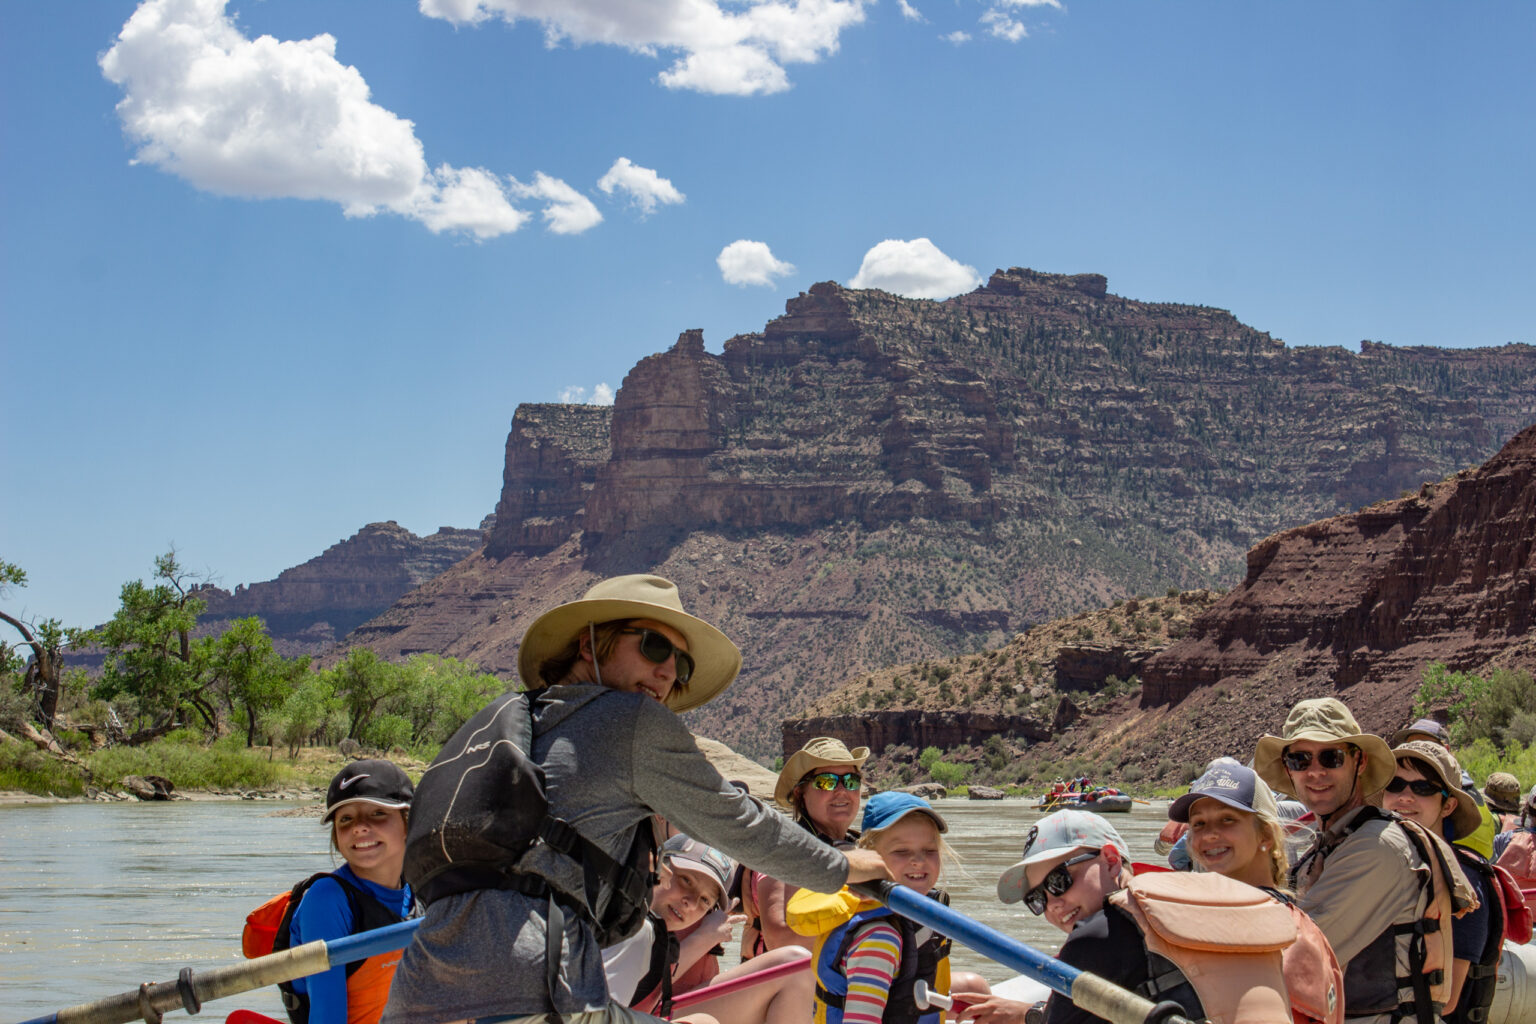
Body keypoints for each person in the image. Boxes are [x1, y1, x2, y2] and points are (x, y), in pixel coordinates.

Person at [381, 575, 892, 1024]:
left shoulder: (503, 722)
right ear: (590, 644)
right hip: (537, 990)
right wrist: (844, 864)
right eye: (653, 646)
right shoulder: (630, 721)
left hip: (420, 992)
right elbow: (739, 823)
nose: (669, 670)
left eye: (681, 662)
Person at [1254, 698, 1475, 1024]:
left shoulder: (1377, 848)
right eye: (1300, 759)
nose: (1315, 771)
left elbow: (1294, 954)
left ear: (1359, 761)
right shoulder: (1331, 844)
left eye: (1331, 757)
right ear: (1288, 768)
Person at [960, 811, 1212, 1024]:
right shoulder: (1186, 902)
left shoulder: (1096, 937)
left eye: (1059, 881)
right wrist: (1032, 1014)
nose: (1052, 905)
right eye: (1037, 899)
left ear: (1112, 861)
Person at [1170, 760, 1343, 1024]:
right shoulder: (1200, 921)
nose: (1210, 835)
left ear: (1265, 835)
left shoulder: (1295, 937)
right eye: (1199, 824)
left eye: (1227, 819)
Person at [787, 792, 964, 1024]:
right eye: (901, 851)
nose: (918, 861)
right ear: (869, 857)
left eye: (929, 850)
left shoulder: (916, 919)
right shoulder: (879, 940)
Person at [604, 835, 812, 1024]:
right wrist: (705, 937)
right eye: (686, 880)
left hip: (651, 1010)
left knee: (796, 965)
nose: (691, 903)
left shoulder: (666, 926)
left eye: (705, 900)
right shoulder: (621, 918)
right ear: (659, 868)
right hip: (625, 1014)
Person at [287, 759, 416, 1024]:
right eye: (345, 819)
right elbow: (327, 1018)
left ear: (408, 822)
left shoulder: (420, 889)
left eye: (377, 813)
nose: (358, 827)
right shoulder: (327, 900)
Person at [1380, 740, 1499, 1024]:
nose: (1405, 797)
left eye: (1423, 788)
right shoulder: (1380, 866)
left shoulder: (1464, 882)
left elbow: (1445, 1002)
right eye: (1395, 785)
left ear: (1449, 805)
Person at [739, 737, 870, 959]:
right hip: (787, 988)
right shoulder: (780, 850)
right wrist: (867, 911)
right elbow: (780, 941)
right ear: (801, 793)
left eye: (851, 781)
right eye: (826, 782)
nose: (841, 791)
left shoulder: (861, 849)